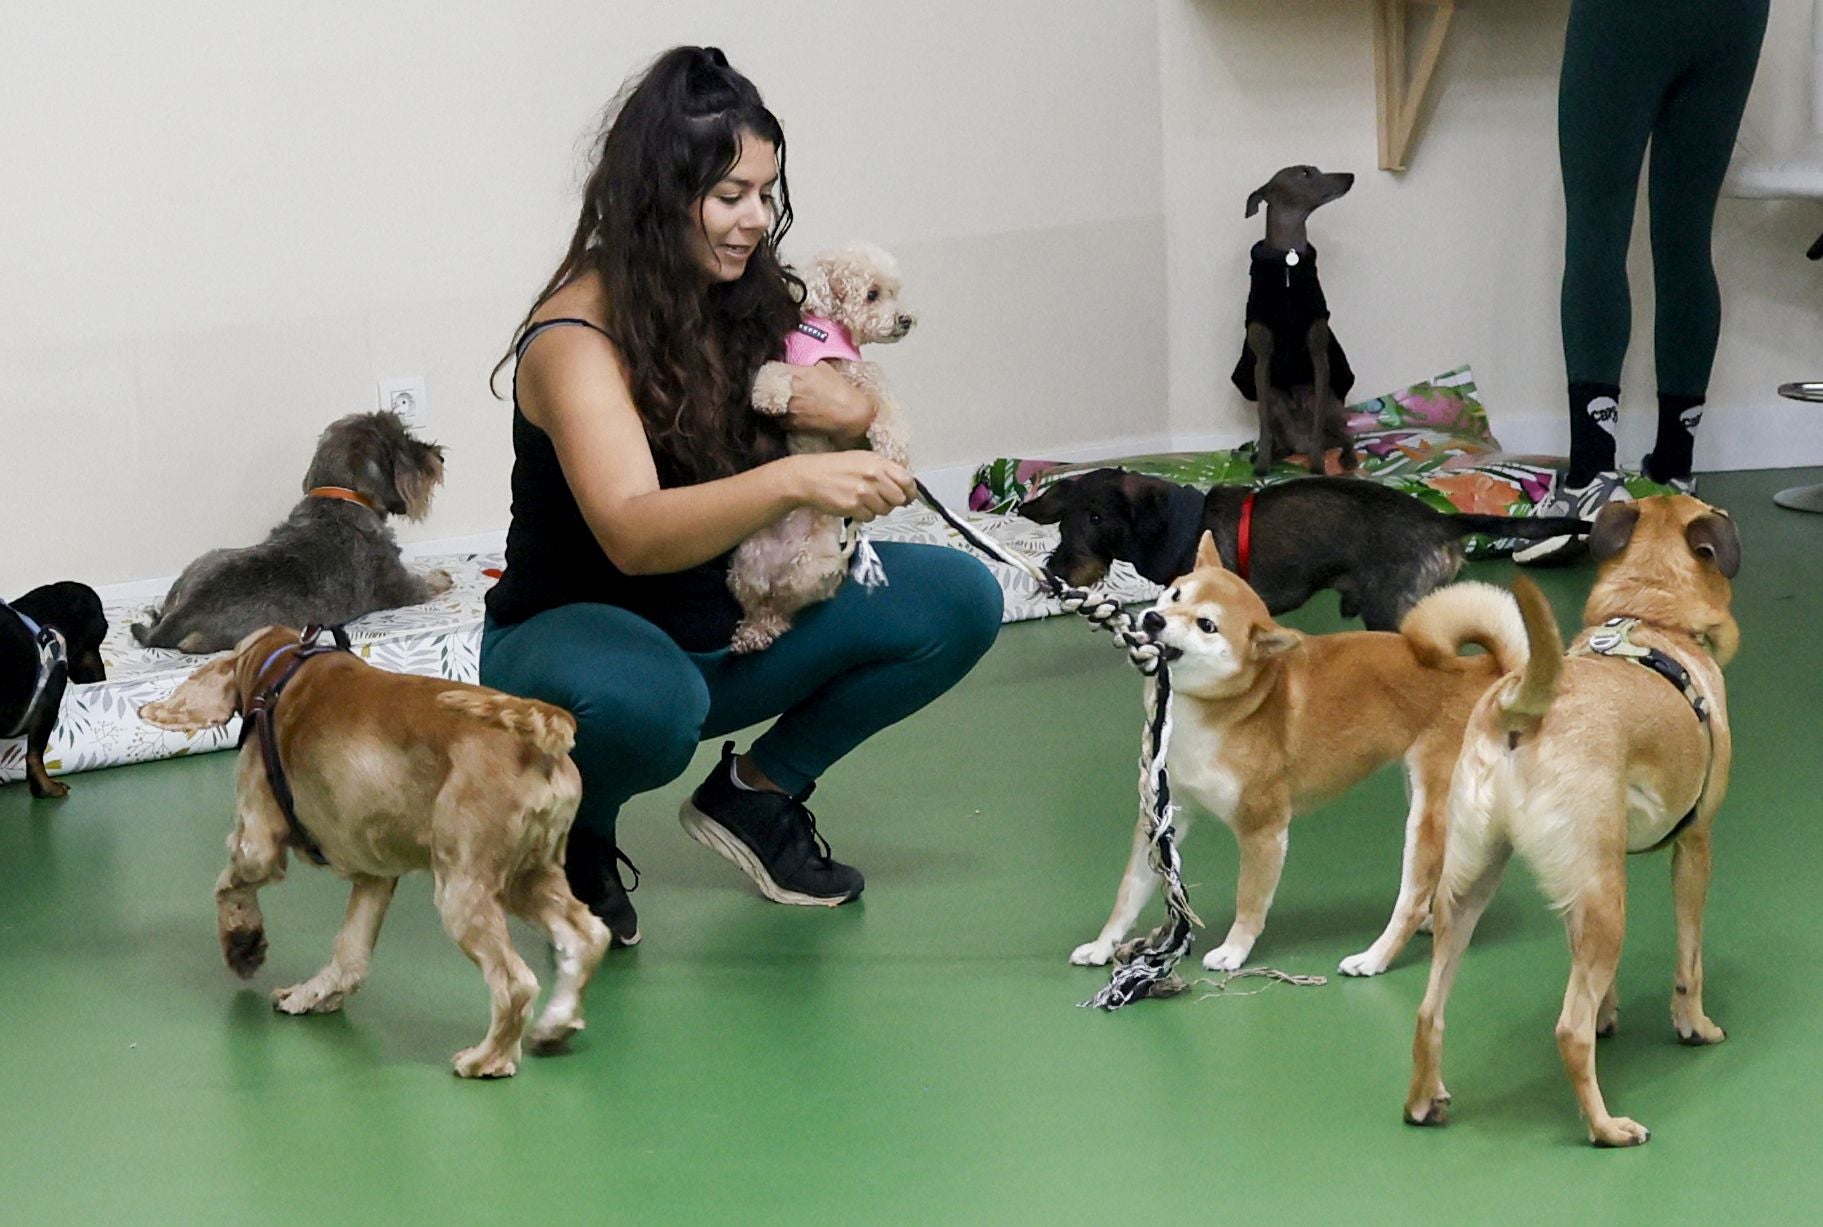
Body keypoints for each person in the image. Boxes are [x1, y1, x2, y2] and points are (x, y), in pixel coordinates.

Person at [480, 46, 1003, 943]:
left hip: (716, 628)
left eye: (765, 193)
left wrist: (842, 403)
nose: (757, 219)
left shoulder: (741, 294)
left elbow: (827, 386)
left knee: (960, 598)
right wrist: (795, 475)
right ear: (656, 195)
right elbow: (634, 535)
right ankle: (574, 830)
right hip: (571, 645)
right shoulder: (573, 336)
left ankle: (757, 798)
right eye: (730, 196)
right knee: (651, 708)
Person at [1518, 0, 1770, 564]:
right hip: (1739, 15)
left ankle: (1591, 476)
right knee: (1686, 237)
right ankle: (1674, 472)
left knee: (1597, 228)